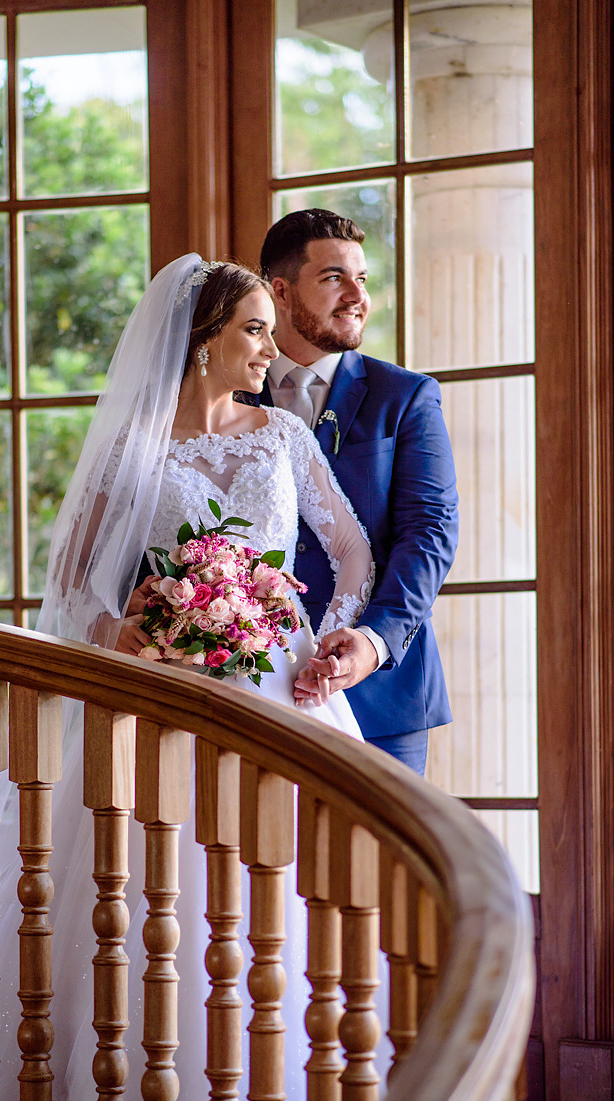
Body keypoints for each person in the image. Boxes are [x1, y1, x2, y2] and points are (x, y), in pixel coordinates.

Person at [0, 255, 384, 1101]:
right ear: (200, 340)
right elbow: (73, 585)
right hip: (159, 698)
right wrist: (123, 628)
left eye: (264, 330)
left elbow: (351, 560)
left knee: (271, 908)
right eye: (249, 328)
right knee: (142, 906)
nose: (267, 346)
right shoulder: (132, 447)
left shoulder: (282, 435)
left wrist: (317, 646)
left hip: (280, 697)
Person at [256, 209, 459, 776]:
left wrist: (374, 641)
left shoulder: (407, 397)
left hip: (381, 699)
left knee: (376, 866)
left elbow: (431, 532)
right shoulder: (226, 401)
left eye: (362, 279)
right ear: (281, 290)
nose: (356, 296)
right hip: (250, 685)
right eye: (333, 278)